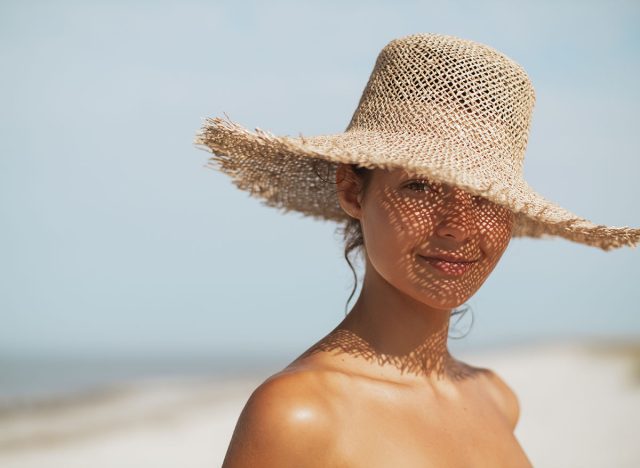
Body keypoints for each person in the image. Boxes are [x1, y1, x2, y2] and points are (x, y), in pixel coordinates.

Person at [194, 33, 640, 467]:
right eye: (420, 186)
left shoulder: (496, 397)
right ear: (352, 191)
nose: (458, 228)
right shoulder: (299, 414)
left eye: (486, 197)